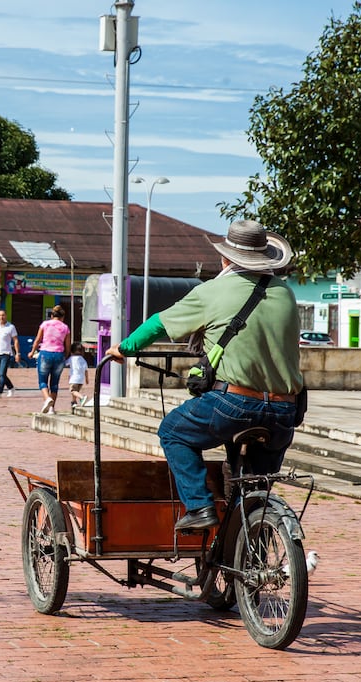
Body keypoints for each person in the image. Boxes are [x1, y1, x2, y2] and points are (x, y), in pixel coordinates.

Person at [105, 219, 303, 533]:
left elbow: (159, 324)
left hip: (234, 405)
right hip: (284, 412)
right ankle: (252, 551)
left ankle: (198, 507)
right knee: (255, 494)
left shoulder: (213, 290)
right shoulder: (285, 293)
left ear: (227, 259)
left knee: (172, 431)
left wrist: (124, 348)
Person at [28, 305, 70, 414]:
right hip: (59, 354)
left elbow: (37, 340)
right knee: (54, 384)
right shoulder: (65, 327)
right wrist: (65, 356)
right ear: (63, 317)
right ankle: (52, 408)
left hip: (45, 353)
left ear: (51, 316)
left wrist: (32, 352)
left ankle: (47, 399)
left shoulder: (45, 324)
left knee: (42, 381)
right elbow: (68, 345)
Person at [66, 342, 89, 409]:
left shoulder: (71, 358)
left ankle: (82, 397)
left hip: (74, 378)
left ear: (72, 351)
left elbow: (65, 363)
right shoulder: (83, 360)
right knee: (76, 391)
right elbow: (86, 370)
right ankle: (74, 402)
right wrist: (87, 379)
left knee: (72, 391)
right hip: (81, 379)